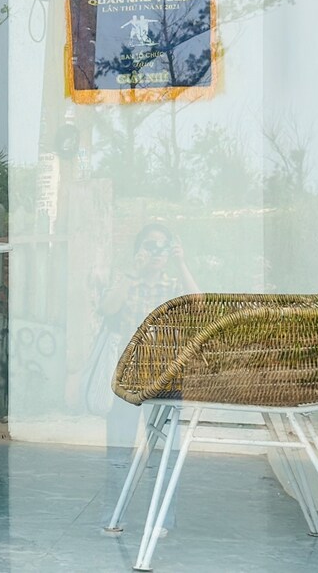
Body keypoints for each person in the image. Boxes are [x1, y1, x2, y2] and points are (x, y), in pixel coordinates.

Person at [97, 222, 199, 531]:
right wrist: (131, 273)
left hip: (166, 376)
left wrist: (181, 264)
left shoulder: (173, 282)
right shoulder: (125, 280)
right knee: (118, 449)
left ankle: (162, 520)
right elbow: (107, 308)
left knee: (165, 453)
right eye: (150, 245)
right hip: (129, 375)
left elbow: (199, 306)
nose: (156, 251)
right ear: (139, 250)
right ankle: (114, 516)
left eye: (162, 245)